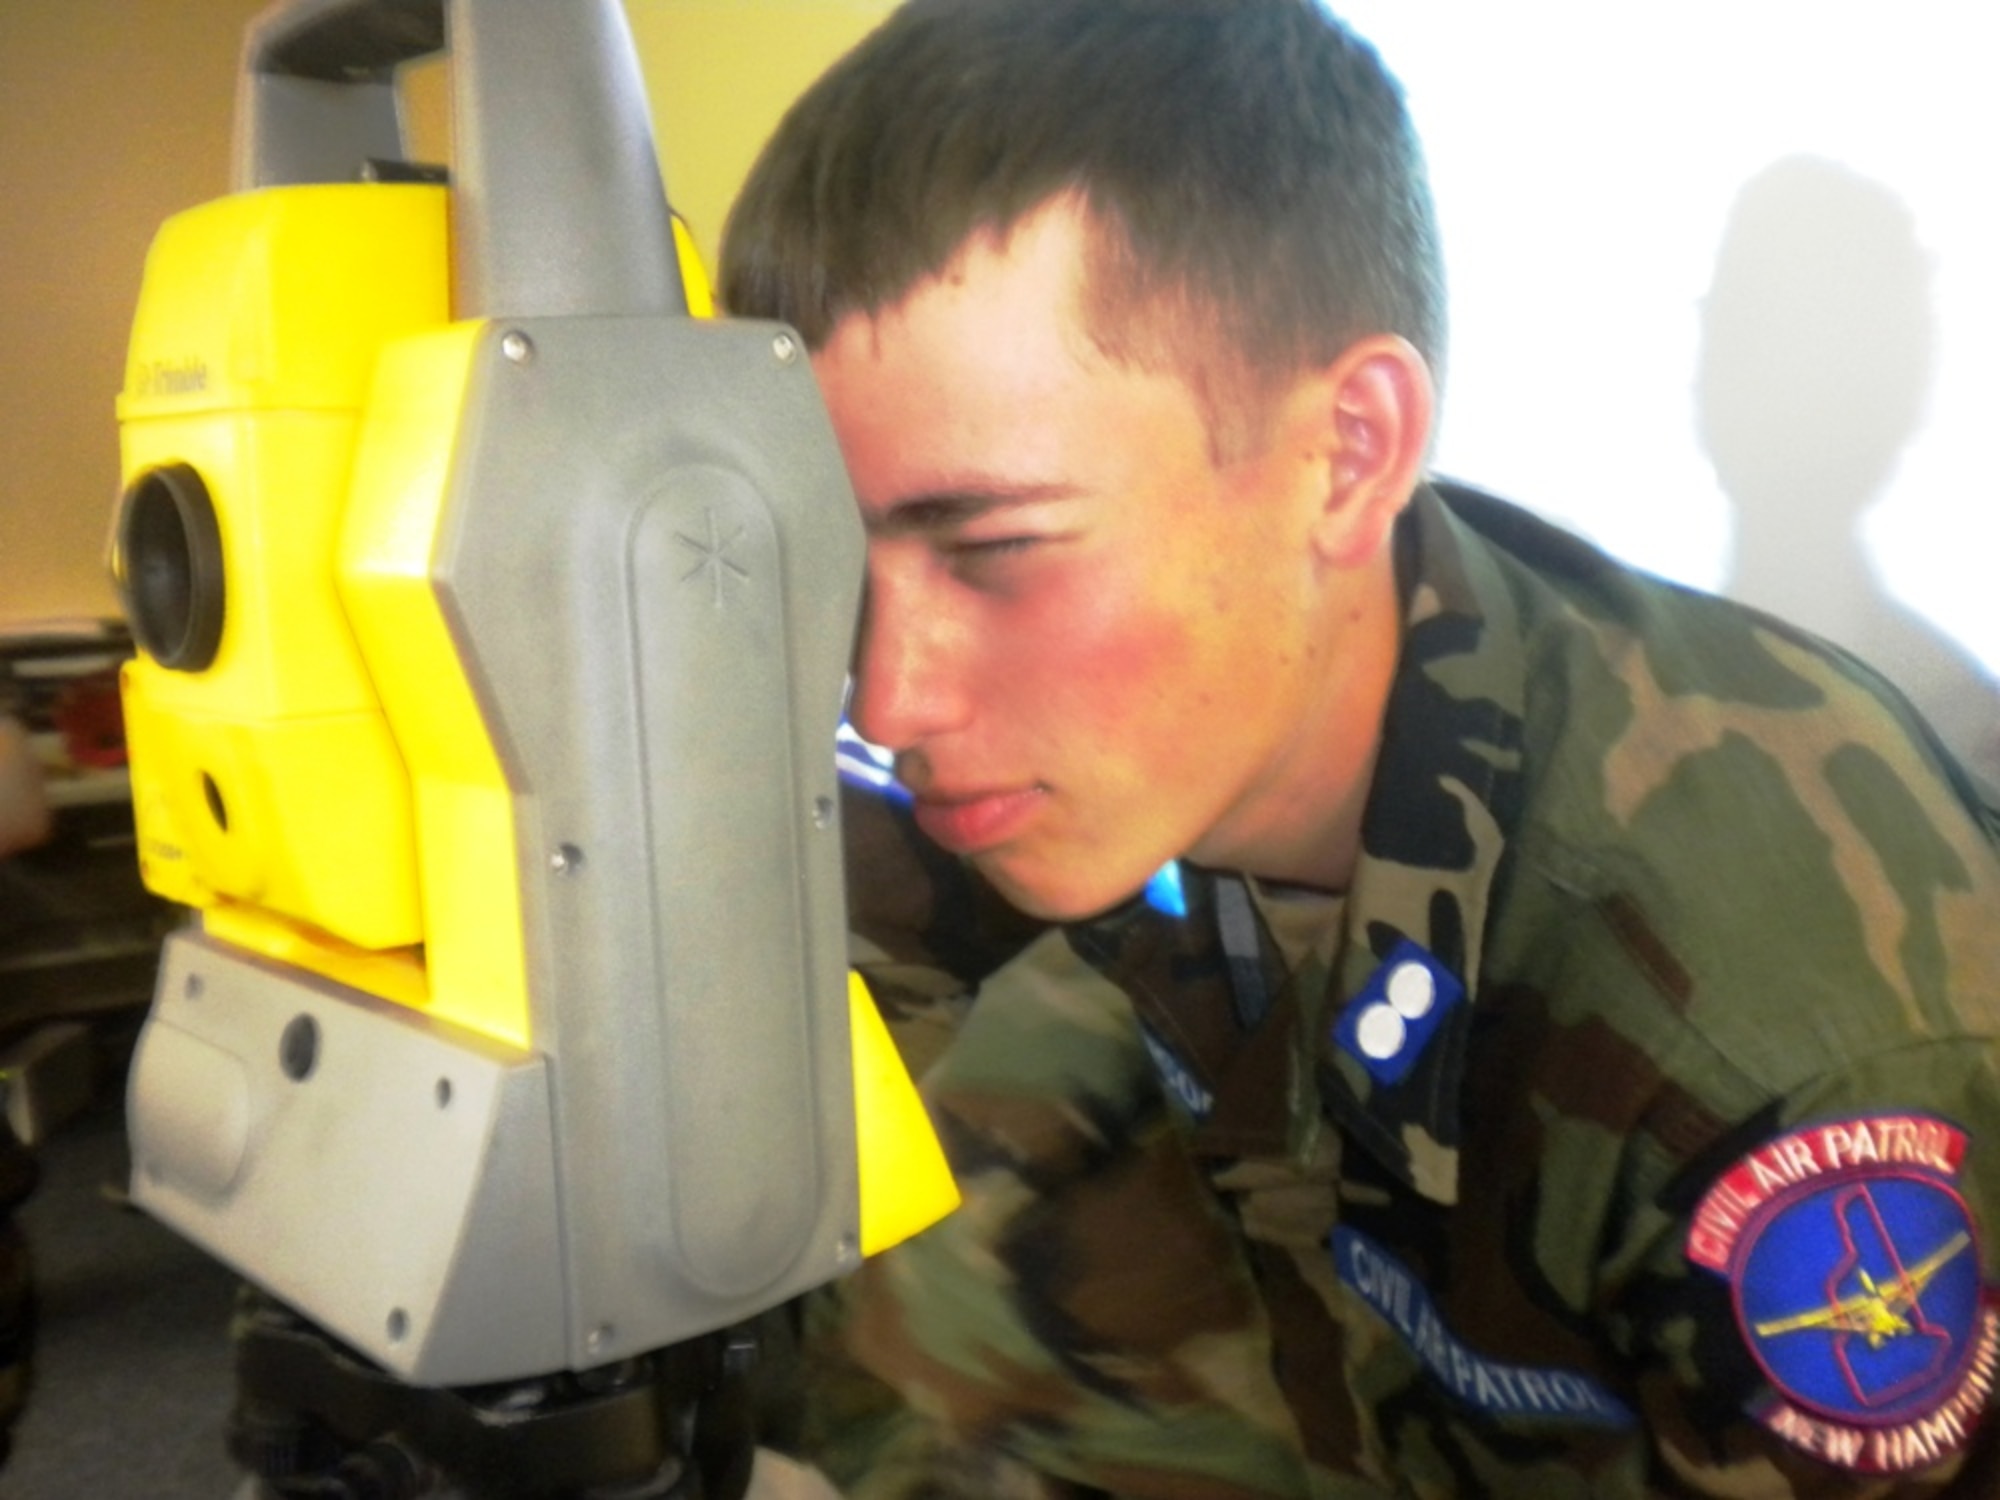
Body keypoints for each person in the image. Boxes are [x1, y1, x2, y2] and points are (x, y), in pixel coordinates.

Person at [717, 0, 2000, 1494]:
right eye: (846, 565)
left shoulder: (1774, 1058)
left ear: (1349, 454)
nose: (890, 701)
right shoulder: (1160, 698)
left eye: (996, 549)